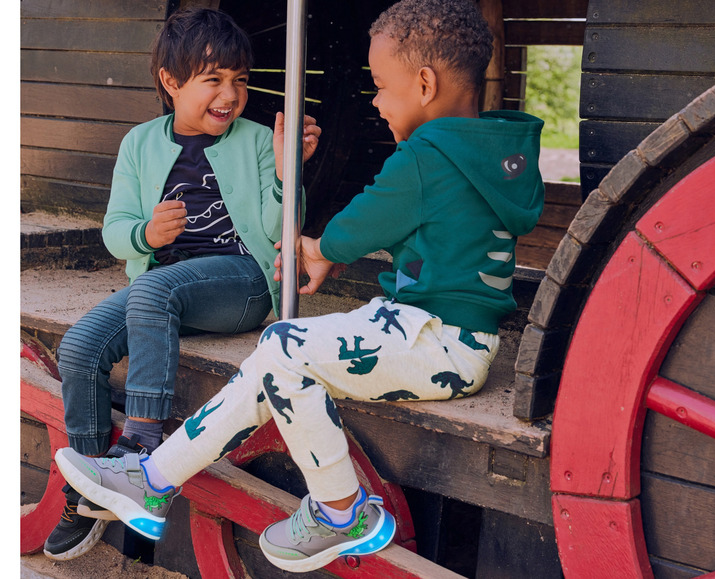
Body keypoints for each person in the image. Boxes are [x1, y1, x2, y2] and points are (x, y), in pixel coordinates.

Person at [54, 0, 545, 573]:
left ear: (425, 84)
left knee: (284, 348)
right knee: (278, 351)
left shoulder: (425, 156)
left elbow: (363, 221)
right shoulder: (495, 152)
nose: (376, 100)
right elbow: (434, 229)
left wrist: (320, 248)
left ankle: (340, 509)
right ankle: (150, 481)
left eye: (381, 87)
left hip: (437, 340)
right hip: (429, 329)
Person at [43, 7, 320, 561]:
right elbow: (116, 232)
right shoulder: (139, 144)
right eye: (213, 79)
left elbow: (277, 233)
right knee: (78, 347)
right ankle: (91, 490)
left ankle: (141, 444)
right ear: (171, 83)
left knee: (155, 291)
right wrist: (146, 233)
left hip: (240, 282)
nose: (231, 93)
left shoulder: (257, 140)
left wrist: (289, 177)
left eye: (239, 80)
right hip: (163, 286)